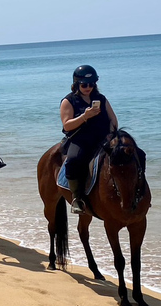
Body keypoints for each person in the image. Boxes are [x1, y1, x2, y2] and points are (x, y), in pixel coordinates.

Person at [60, 64, 119, 214]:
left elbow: (113, 120)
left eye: (91, 84)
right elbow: (67, 125)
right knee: (73, 160)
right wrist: (85, 116)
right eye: (84, 84)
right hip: (81, 140)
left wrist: (111, 134)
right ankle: (77, 198)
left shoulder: (101, 98)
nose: (88, 87)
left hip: (104, 139)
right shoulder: (69, 101)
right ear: (76, 84)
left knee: (131, 154)